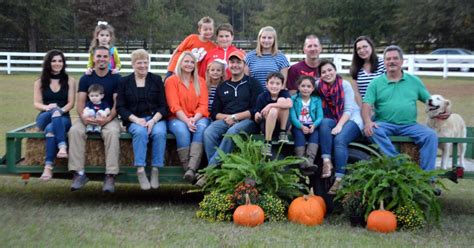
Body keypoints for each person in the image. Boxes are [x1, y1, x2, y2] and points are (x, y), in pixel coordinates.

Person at [362, 45, 438, 172]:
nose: (392, 61)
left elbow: (429, 101)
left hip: (409, 125)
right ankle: (399, 163)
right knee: (372, 131)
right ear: (384, 62)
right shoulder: (376, 83)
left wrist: (441, 108)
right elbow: (366, 105)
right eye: (388, 59)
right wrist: (368, 122)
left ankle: (427, 178)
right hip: (384, 124)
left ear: (402, 61)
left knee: (430, 136)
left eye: (395, 58)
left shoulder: (414, 81)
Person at [68, 46, 121, 193]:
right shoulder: (86, 78)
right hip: (88, 115)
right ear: (93, 58)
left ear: (109, 59)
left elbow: (117, 103)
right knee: (74, 131)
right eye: (99, 56)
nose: (102, 59)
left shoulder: (116, 78)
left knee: (112, 133)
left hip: (108, 117)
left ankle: (110, 175)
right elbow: (80, 103)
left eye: (105, 56)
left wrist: (109, 118)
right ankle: (78, 173)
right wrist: (84, 118)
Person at [203, 50, 263, 176]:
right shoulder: (223, 86)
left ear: (244, 65)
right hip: (226, 120)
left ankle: (210, 171)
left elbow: (256, 109)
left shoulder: (252, 83)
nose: (235, 65)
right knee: (209, 132)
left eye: (238, 62)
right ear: (228, 65)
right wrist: (229, 117)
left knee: (232, 132)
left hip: (248, 121)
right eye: (232, 62)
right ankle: (218, 172)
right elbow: (214, 112)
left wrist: (235, 117)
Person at [116, 49, 168, 190]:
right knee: (140, 133)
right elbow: (120, 107)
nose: (143, 66)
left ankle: (155, 169)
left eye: (145, 62)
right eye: (139, 63)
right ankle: (140, 169)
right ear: (133, 64)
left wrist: (153, 120)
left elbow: (164, 106)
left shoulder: (156, 80)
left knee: (159, 133)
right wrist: (136, 120)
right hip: (134, 119)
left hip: (155, 118)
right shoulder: (124, 82)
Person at [317, 60, 363, 194]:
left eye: (330, 70)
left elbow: (348, 109)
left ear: (335, 70)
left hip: (352, 117)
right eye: (323, 72)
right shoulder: (318, 85)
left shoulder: (345, 85)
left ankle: (339, 178)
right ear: (320, 75)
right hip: (333, 118)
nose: (327, 74)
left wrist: (339, 126)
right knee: (324, 123)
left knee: (339, 139)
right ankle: (327, 161)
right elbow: (304, 88)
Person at [165, 52, 209, 183]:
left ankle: (192, 168)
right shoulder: (171, 81)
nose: (189, 64)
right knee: (182, 131)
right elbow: (174, 105)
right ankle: (187, 169)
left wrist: (194, 119)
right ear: (180, 63)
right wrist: (187, 121)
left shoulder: (200, 81)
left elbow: (203, 104)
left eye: (192, 62)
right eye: (186, 61)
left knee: (200, 128)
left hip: (198, 117)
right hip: (177, 117)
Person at [33, 50, 75, 181]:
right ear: (48, 63)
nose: (57, 63)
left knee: (51, 130)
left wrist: (60, 111)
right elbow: (36, 103)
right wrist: (48, 108)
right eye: (54, 61)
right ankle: (62, 145)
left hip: (63, 118)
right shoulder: (39, 82)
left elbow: (71, 103)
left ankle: (48, 167)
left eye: (60, 61)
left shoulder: (70, 81)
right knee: (53, 113)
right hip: (44, 117)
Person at [289, 76, 323, 174]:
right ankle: (302, 163)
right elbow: (293, 117)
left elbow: (320, 116)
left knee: (315, 136)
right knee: (299, 137)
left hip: (312, 125)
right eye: (303, 86)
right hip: (298, 126)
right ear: (298, 87)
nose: (305, 88)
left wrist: (314, 125)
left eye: (309, 86)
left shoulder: (317, 100)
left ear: (313, 88)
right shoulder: (293, 99)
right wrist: (300, 126)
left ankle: (309, 162)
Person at [165, 16, 216, 80]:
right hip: (176, 67)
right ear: (200, 30)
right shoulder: (192, 38)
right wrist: (170, 64)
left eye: (210, 29)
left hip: (190, 71)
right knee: (168, 85)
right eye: (205, 29)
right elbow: (178, 50)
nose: (208, 32)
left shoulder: (213, 47)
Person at [254, 72, 292, 157]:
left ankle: (283, 134)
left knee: (282, 101)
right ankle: (267, 143)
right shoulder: (262, 96)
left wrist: (270, 105)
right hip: (267, 127)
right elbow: (257, 113)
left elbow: (289, 104)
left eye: (278, 83)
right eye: (271, 83)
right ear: (266, 84)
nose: (274, 86)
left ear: (282, 86)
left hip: (282, 125)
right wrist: (257, 115)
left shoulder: (284, 93)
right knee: (273, 111)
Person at [349, 36, 385, 106]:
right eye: (358, 49)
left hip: (382, 106)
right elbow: (356, 93)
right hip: (363, 107)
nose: (362, 50)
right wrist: (364, 110)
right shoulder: (355, 68)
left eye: (365, 46)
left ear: (371, 46)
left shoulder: (383, 64)